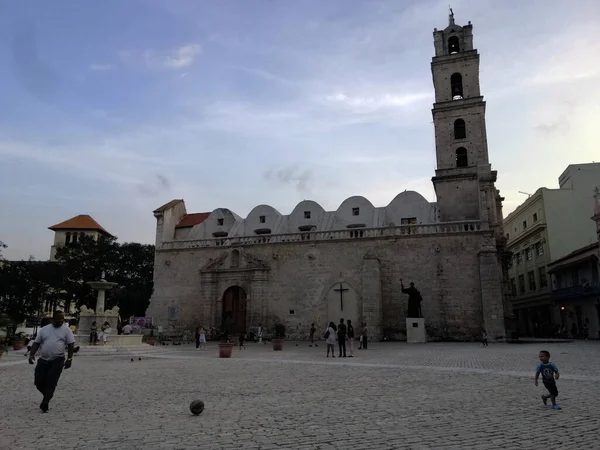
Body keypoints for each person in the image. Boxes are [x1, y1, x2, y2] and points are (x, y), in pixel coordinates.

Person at [28, 310, 75, 413]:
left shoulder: (66, 330)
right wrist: (31, 354)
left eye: (62, 320)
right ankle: (47, 395)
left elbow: (71, 344)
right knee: (38, 381)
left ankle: (45, 402)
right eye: (58, 320)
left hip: (58, 360)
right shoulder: (44, 330)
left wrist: (69, 359)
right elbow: (36, 343)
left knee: (51, 382)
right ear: (52, 319)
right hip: (43, 359)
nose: (60, 322)